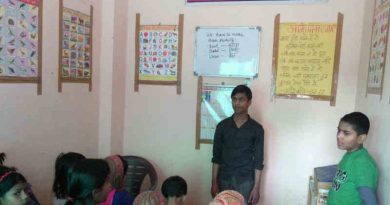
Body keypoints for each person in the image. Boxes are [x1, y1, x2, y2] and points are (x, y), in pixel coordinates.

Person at [211, 85, 264, 204]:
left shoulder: (257, 129)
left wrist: (256, 188)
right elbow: (216, 157)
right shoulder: (222, 127)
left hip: (245, 181)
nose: (237, 103)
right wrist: (214, 182)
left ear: (249, 102)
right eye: (234, 99)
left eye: (241, 99)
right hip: (224, 178)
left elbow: (258, 161)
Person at [327, 112, 379, 205]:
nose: (339, 136)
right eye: (339, 131)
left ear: (361, 138)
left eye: (346, 133)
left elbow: (370, 201)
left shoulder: (363, 164)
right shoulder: (349, 155)